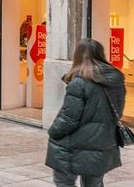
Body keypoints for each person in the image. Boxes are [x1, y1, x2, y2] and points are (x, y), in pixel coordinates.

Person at [45, 38, 126, 187]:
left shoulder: (79, 82)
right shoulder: (116, 79)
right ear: (101, 54)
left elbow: (68, 119)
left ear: (78, 56)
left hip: (74, 144)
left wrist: (53, 132)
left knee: (63, 182)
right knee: (94, 184)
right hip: (103, 142)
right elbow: (118, 111)